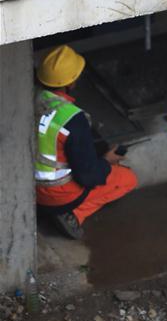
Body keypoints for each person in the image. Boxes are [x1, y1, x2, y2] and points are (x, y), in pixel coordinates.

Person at [35, 45, 138, 239]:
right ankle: (72, 214)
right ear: (71, 82)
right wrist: (107, 161)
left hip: (24, 186)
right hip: (56, 194)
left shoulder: (27, 97)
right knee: (127, 179)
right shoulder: (71, 118)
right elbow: (88, 177)